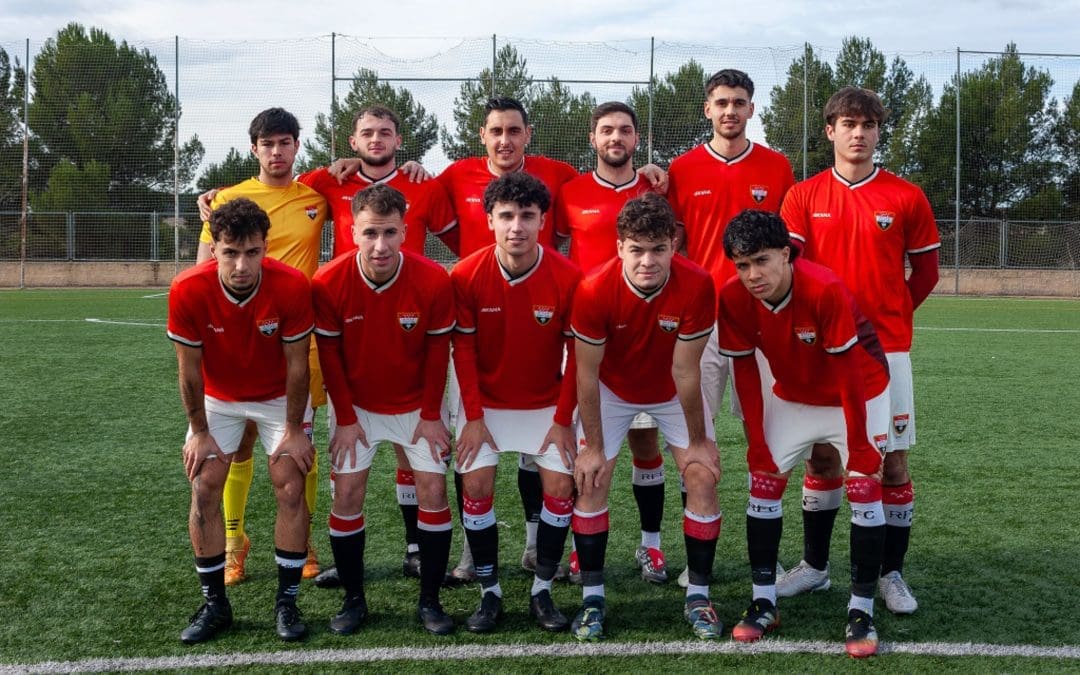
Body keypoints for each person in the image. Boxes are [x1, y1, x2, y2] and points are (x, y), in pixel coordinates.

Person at [778, 86, 941, 615]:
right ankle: (815, 568)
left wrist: (889, 318)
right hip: (821, 350)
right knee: (824, 456)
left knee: (890, 463)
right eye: (849, 123)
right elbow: (792, 271)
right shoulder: (803, 197)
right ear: (830, 131)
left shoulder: (906, 196)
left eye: (869, 125)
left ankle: (890, 575)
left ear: (878, 132)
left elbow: (927, 274)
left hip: (885, 352)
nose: (859, 133)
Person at [717, 209, 889, 658]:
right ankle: (764, 602)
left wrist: (858, 445)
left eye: (762, 260)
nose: (752, 274)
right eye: (742, 264)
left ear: (787, 254)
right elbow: (746, 373)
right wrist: (755, 441)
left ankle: (861, 608)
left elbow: (849, 375)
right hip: (793, 395)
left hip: (860, 392)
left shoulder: (824, 288)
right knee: (764, 483)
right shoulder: (733, 297)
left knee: (865, 487)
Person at [571, 193, 722, 641]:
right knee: (592, 478)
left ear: (674, 245)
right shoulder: (594, 288)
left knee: (701, 476)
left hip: (670, 390)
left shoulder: (698, 284)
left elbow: (685, 369)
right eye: (636, 249)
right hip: (612, 390)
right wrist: (594, 448)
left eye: (658, 249)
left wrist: (697, 441)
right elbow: (586, 372)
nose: (647, 261)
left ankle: (698, 595)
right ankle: (592, 599)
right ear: (619, 248)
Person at [666, 69, 795, 587]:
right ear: (706, 109)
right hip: (700, 325)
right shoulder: (681, 168)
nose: (730, 111)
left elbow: (790, 248)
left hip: (762, 325)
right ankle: (696, 550)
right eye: (721, 102)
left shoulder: (777, 166)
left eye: (739, 102)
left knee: (766, 436)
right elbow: (669, 244)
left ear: (751, 109)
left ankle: (767, 551)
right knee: (693, 436)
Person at [311, 183, 457, 636]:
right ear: (352, 231)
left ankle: (429, 600)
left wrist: (432, 415)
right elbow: (331, 358)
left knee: (433, 492)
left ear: (405, 231)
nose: (380, 245)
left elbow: (438, 355)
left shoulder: (433, 279)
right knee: (348, 495)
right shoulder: (329, 282)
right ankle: (354, 600)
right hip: (357, 408)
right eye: (370, 232)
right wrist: (347, 421)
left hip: (418, 406)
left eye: (390, 233)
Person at [169, 198, 315, 644]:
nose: (241, 264)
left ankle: (286, 602)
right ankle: (215, 604)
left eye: (252, 252)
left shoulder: (291, 286)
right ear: (213, 248)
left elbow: (297, 367)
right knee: (205, 483)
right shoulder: (187, 289)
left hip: (277, 398)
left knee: (289, 480)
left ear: (265, 248)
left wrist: (293, 429)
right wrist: (199, 432)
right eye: (230, 252)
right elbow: (189, 373)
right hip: (220, 398)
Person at [195, 108, 327, 586]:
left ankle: (304, 537)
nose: (276, 151)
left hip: (298, 341)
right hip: (237, 341)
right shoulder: (228, 199)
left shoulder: (317, 195)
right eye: (267, 143)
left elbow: (358, 183)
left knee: (299, 446)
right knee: (239, 443)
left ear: (296, 146)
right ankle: (233, 540)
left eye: (285, 142)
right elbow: (204, 267)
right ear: (254, 148)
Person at [451, 172, 581, 634]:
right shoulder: (465, 275)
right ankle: (490, 594)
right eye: (506, 216)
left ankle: (541, 590)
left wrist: (564, 421)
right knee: (477, 486)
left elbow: (578, 359)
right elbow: (462, 351)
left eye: (527, 216)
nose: (517, 227)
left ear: (543, 220)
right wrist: (472, 418)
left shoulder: (569, 278)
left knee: (562, 489)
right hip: (484, 405)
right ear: (489, 220)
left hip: (547, 403)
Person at [555, 101, 669, 585]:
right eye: (606, 131)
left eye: (624, 130)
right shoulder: (569, 192)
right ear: (592, 139)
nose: (615, 138)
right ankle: (584, 550)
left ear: (636, 140)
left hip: (645, 333)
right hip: (587, 333)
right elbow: (556, 248)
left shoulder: (657, 187)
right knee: (587, 444)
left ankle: (651, 547)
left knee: (646, 442)